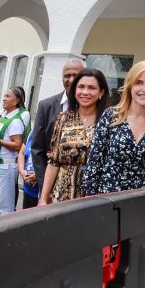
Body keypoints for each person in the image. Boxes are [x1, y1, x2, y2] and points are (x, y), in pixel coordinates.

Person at [83, 61, 145, 195]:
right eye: (139, 83)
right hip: (106, 197)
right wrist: (91, 199)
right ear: (130, 86)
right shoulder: (111, 116)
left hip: (136, 199)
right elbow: (94, 164)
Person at [39, 68, 109, 205]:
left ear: (101, 92)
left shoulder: (108, 122)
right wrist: (44, 198)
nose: (85, 92)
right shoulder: (63, 119)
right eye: (81, 87)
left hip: (93, 197)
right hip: (61, 196)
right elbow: (54, 162)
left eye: (91, 88)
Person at [31, 59, 85, 189]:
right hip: (50, 184)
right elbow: (38, 150)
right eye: (67, 76)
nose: (71, 80)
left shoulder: (94, 109)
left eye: (76, 75)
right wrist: (45, 187)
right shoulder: (46, 106)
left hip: (81, 187)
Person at [0, 87, 25, 216]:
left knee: (5, 207)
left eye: (8, 96)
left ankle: (6, 228)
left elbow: (18, 145)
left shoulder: (15, 121)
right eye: (4, 96)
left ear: (16, 101)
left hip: (5, 167)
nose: (4, 99)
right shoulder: (4, 117)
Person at [17, 131, 39, 208]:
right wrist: (22, 171)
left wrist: (39, 175)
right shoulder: (31, 134)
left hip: (42, 190)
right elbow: (21, 153)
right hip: (28, 188)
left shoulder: (51, 135)